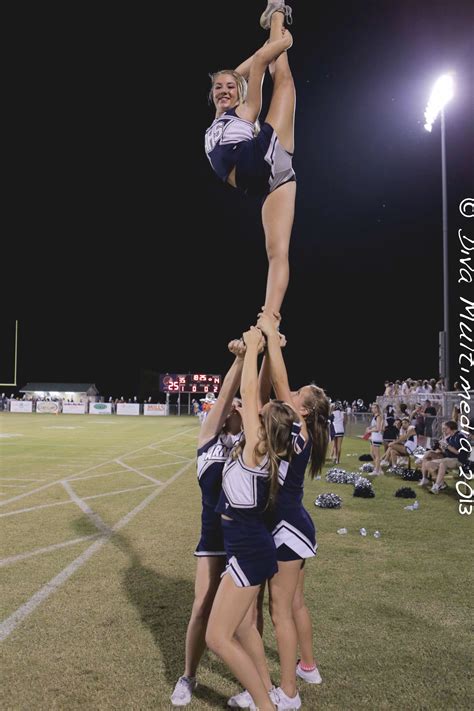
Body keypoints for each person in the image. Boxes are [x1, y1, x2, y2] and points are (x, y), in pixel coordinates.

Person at [228, 312, 328, 709]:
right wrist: (270, 348)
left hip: (287, 528)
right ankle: (300, 672)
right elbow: (278, 389)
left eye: (298, 396)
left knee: (278, 612)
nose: (291, 395)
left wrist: (268, 333)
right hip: (291, 525)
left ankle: (288, 692)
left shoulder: (298, 428)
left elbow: (279, 386)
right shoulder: (295, 426)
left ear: (302, 410)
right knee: (289, 606)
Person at [205, 325, 301, 711]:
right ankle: (262, 689)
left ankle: (266, 706)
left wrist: (255, 346)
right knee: (243, 627)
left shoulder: (258, 448)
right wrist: (255, 352)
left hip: (247, 549)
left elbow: (249, 392)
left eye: (256, 414)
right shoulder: (262, 446)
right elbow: (255, 395)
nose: (250, 409)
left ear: (263, 426)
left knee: (217, 637)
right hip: (245, 547)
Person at [205, 1, 296, 318]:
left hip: (265, 156)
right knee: (276, 252)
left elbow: (258, 64)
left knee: (282, 78)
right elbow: (241, 69)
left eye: (230, 88)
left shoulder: (244, 110)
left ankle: (277, 12)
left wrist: (282, 42)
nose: (224, 90)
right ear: (212, 94)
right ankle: (275, 15)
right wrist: (269, 45)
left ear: (239, 93)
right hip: (270, 181)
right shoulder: (220, 119)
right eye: (218, 88)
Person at [170, 339, 246, 707]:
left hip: (246, 538)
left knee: (247, 617)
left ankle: (250, 680)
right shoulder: (207, 443)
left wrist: (258, 354)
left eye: (238, 405)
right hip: (214, 536)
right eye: (226, 404)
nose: (231, 406)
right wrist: (239, 359)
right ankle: (189, 676)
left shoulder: (251, 443)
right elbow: (228, 392)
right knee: (202, 606)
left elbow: (253, 392)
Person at [366, 403, 384, 475]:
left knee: (376, 455)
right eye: (372, 408)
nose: (372, 409)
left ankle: (376, 471)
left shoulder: (378, 417)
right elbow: (374, 425)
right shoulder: (375, 417)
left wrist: (369, 431)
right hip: (373, 436)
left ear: (377, 409)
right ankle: (379, 469)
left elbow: (378, 428)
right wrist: (369, 428)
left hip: (377, 437)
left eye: (374, 408)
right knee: (372, 454)